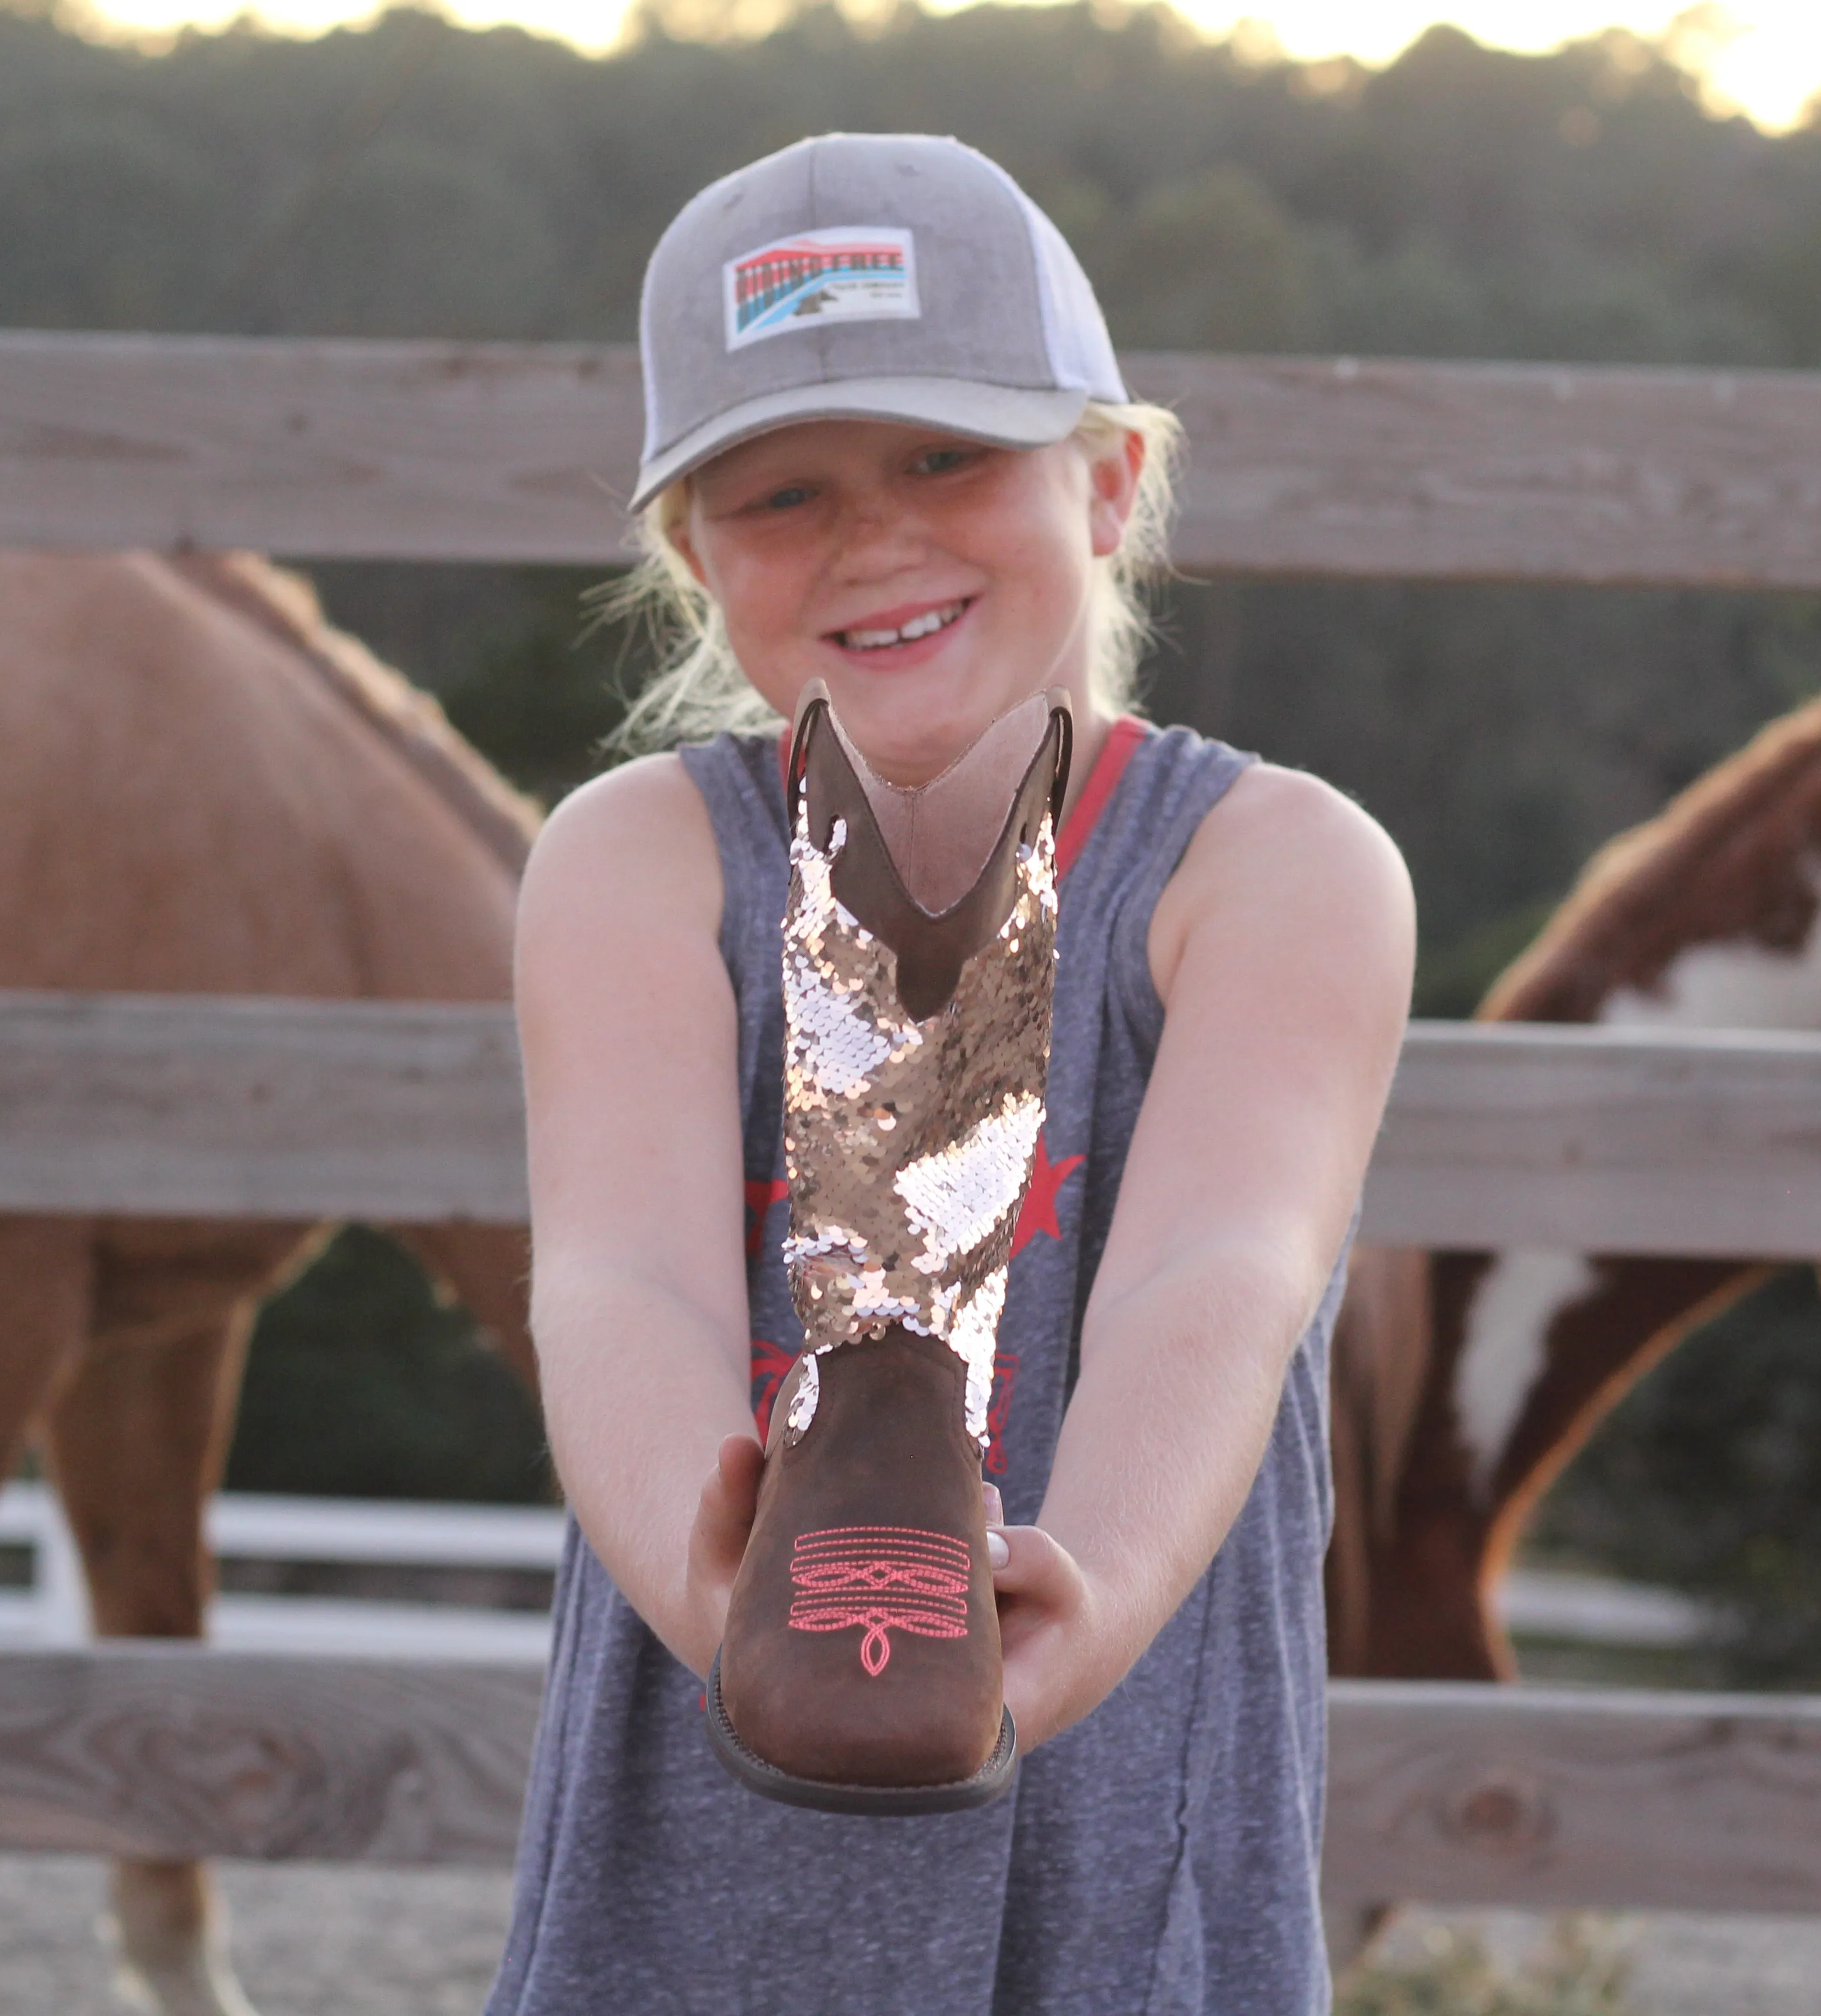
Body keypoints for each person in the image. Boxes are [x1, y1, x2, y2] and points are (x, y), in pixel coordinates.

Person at [493, 132, 1413, 2014]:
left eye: (946, 457)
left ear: (1112, 481)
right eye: (781, 494)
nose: (874, 536)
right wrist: (745, 1617)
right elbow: (621, 1276)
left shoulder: (1265, 871)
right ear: (695, 557)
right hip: (704, 1827)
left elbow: (1216, 1274)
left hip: (1125, 1791)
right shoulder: (641, 862)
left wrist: (1094, 1589)